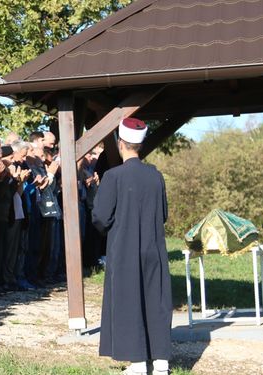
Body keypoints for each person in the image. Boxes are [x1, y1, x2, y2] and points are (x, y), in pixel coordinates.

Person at [92, 117, 172, 375]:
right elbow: (163, 214)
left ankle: (138, 364)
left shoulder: (113, 176)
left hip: (124, 247)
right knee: (155, 300)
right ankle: (161, 362)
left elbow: (101, 217)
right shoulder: (156, 177)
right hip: (153, 246)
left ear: (120, 143)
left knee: (128, 300)